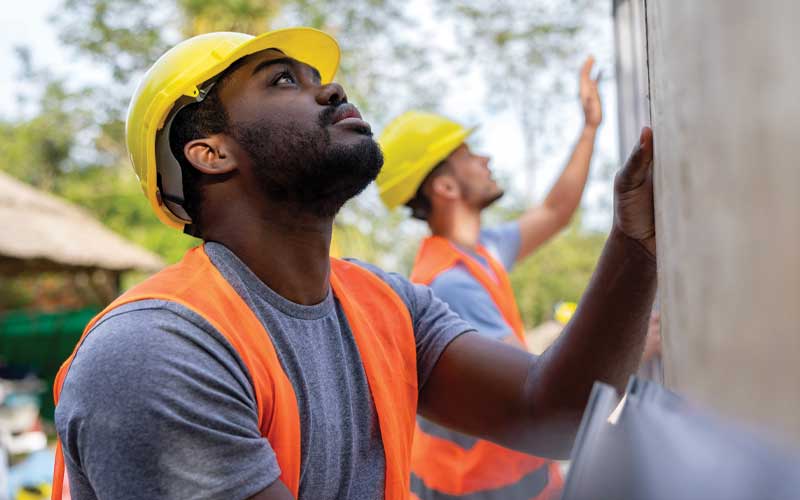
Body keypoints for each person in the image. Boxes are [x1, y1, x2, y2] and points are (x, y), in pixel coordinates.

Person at [52, 28, 657, 500]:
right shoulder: (157, 351)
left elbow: (552, 413)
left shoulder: (385, 305)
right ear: (211, 153)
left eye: (318, 78)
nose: (333, 90)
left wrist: (637, 246)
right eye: (282, 81)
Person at [375, 56, 603, 500]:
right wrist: (631, 343)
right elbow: (542, 386)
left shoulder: (480, 252)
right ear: (445, 188)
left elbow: (555, 211)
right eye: (467, 155)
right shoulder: (451, 283)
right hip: (482, 490)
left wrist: (590, 128)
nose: (485, 158)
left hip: (511, 483)